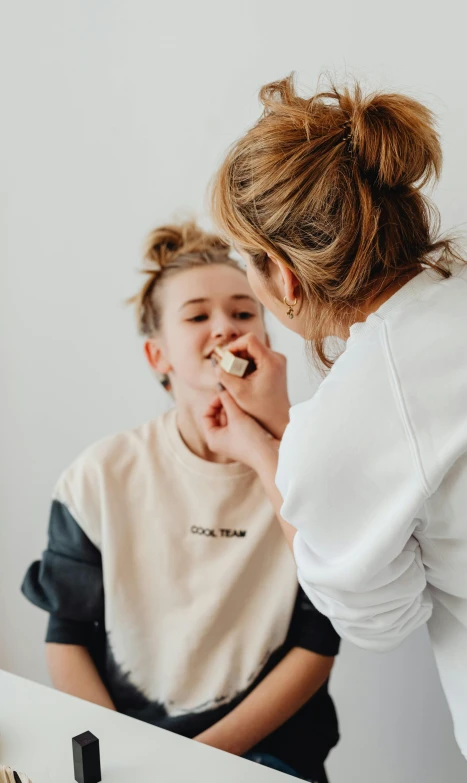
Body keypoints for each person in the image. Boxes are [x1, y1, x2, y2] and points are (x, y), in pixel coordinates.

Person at [202, 74, 467, 783]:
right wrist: (294, 435)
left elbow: (383, 619)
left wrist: (270, 450)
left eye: (246, 268)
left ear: (284, 278)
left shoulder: (354, 416)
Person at [21, 221, 340, 783]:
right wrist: (135, 754)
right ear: (157, 354)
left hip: (271, 748)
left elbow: (321, 639)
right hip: (132, 747)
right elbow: (67, 635)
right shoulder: (100, 476)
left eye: (244, 313)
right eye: (197, 316)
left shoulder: (309, 468)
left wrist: (279, 433)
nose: (223, 328)